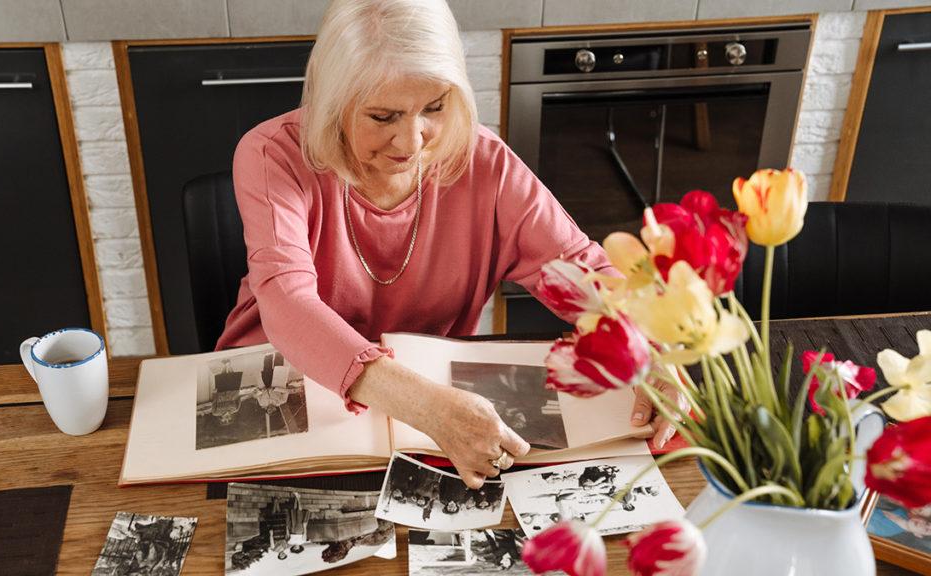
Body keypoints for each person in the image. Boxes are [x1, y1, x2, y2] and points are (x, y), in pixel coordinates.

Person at [215, 0, 680, 489]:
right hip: (284, 391)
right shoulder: (270, 153)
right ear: (334, 99)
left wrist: (649, 345)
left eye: (433, 107)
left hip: (432, 419)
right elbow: (287, 302)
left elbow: (576, 267)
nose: (411, 142)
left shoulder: (486, 163)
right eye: (383, 116)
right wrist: (429, 407)